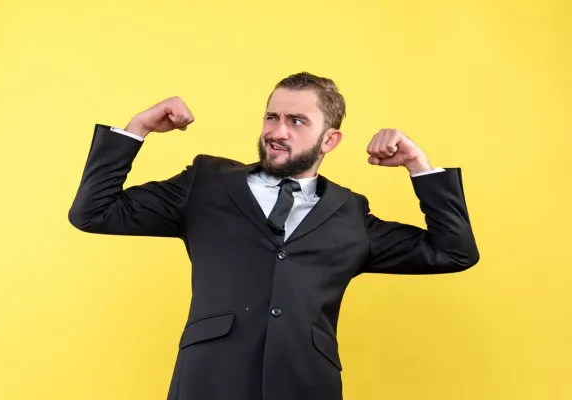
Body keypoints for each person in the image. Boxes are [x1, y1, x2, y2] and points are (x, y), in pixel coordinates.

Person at [68, 72, 479, 400]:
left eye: (296, 121)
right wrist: (137, 129)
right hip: (210, 383)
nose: (277, 131)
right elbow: (94, 212)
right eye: (272, 116)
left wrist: (419, 166)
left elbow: (452, 252)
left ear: (329, 139)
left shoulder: (350, 214)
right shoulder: (206, 183)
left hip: (305, 385)